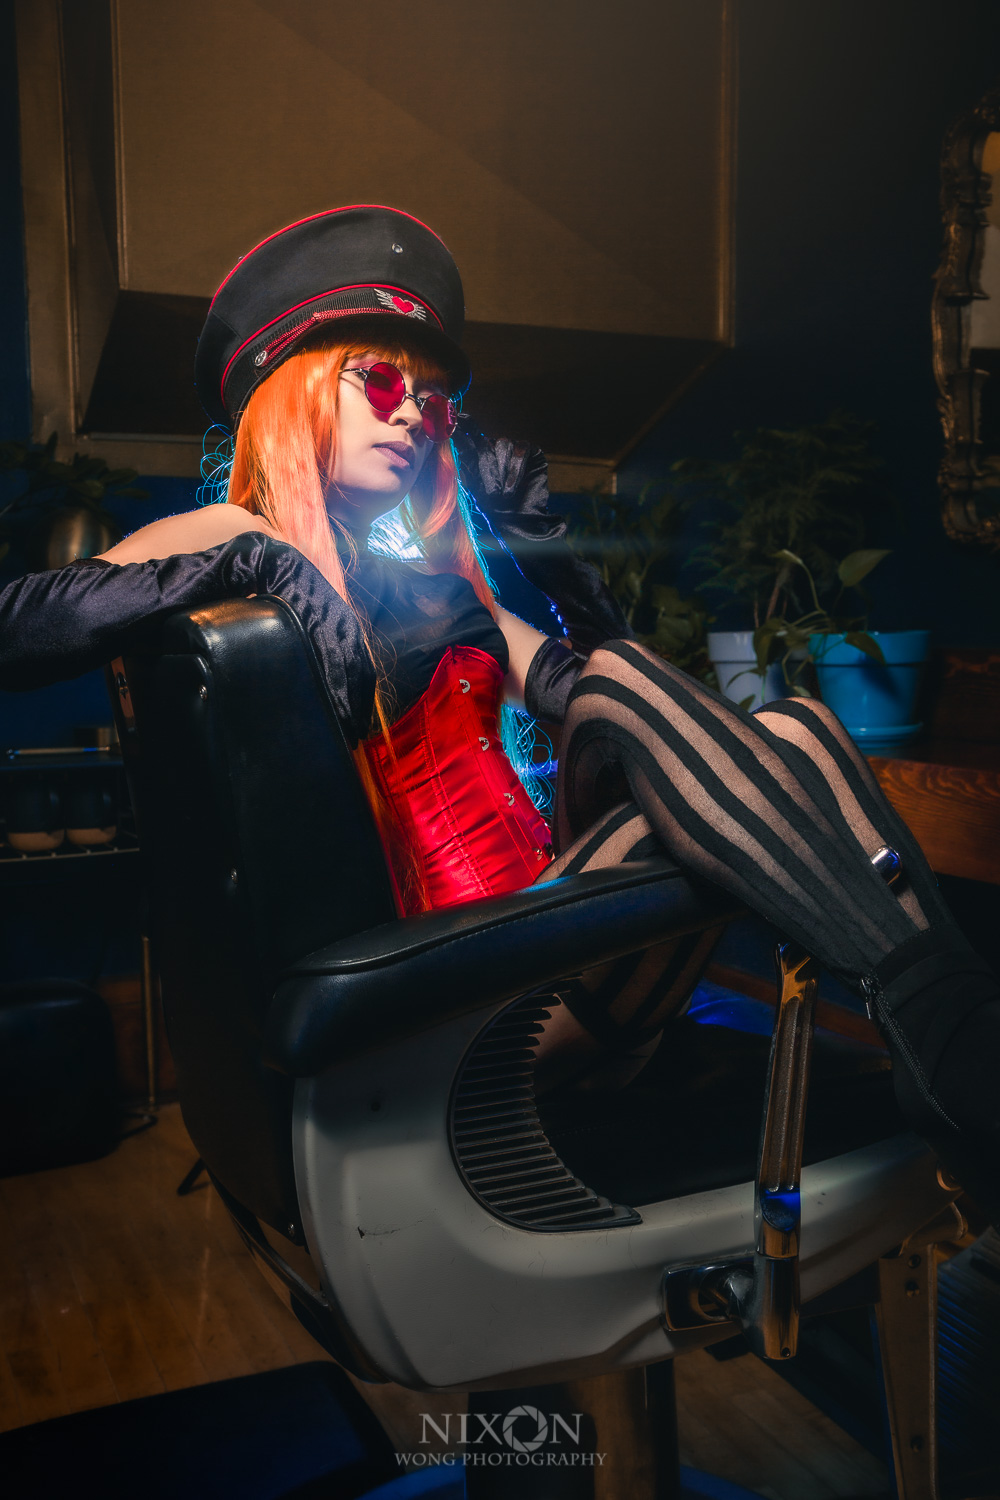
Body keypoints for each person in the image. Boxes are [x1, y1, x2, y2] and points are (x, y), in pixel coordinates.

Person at [0, 205, 997, 1226]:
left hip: (549, 945)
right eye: (378, 381)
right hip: (453, 1001)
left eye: (431, 403)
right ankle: (960, 1050)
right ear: (294, 388)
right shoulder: (226, 533)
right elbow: (18, 626)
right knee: (769, 737)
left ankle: (953, 1036)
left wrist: (543, 555)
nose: (409, 415)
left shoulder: (438, 588)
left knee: (793, 730)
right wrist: (258, 561)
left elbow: (623, 710)